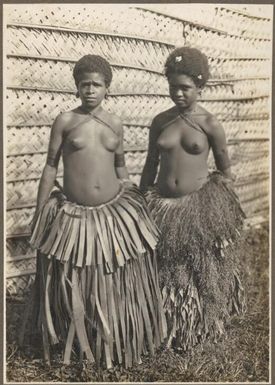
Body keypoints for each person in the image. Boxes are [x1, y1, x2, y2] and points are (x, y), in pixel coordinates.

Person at [24, 54, 166, 369]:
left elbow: (120, 167)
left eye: (97, 85)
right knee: (77, 277)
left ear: (107, 89)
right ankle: (76, 336)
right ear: (76, 88)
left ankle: (113, 336)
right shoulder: (65, 121)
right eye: (84, 84)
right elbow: (50, 167)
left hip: (111, 213)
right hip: (74, 215)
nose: (90, 90)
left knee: (110, 275)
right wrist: (39, 211)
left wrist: (133, 202)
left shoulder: (114, 122)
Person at [140, 47, 245, 350]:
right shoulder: (161, 121)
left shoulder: (210, 124)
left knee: (197, 266)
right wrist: (141, 197)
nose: (178, 93)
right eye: (173, 87)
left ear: (201, 87)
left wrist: (219, 211)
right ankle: (162, 326)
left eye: (185, 88)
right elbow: (150, 164)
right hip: (162, 204)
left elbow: (225, 171)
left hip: (197, 207)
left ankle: (199, 327)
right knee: (166, 267)